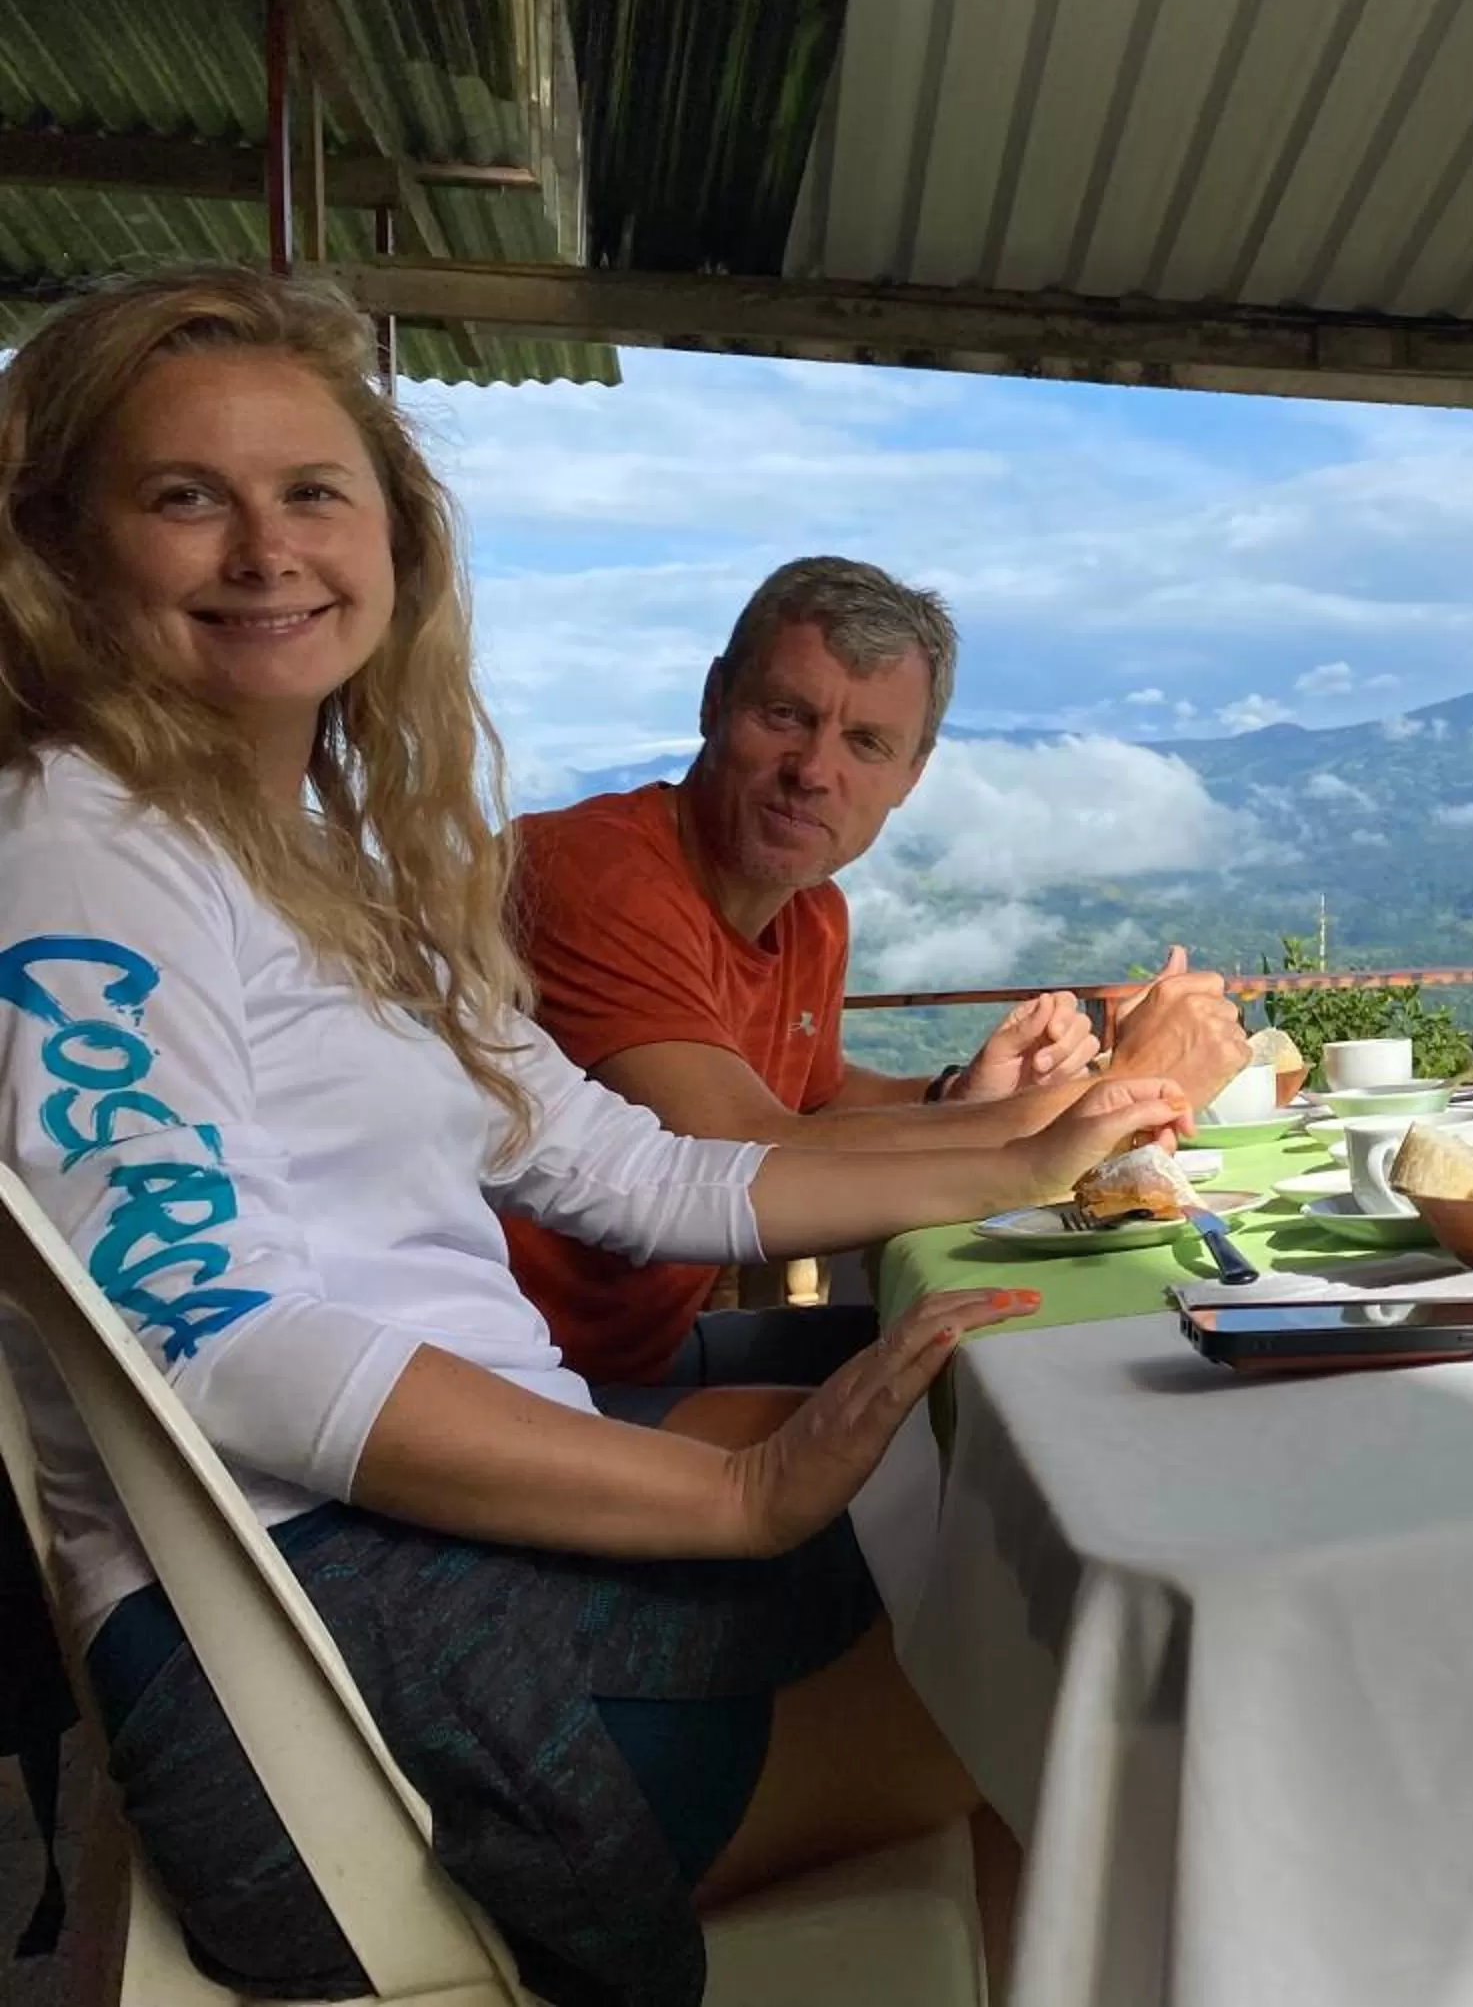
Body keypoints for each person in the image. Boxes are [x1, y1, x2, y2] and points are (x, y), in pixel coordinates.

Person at [0, 265, 1185, 2004]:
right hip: (315, 1673)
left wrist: (1036, 1152)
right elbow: (216, 1340)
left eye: (314, 492)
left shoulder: (327, 857)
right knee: (1087, 1702)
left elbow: (647, 1168)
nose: (267, 551)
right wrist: (730, 1500)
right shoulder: (79, 842)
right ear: (63, 545)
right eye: (188, 497)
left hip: (407, 1568)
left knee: (977, 1533)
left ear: (394, 546)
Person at [506, 555, 1251, 1389]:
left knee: (1047, 1356)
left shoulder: (811, 910)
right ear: (714, 702)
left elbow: (814, 1100)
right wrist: (1124, 1089)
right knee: (1013, 1401)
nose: (815, 771)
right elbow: (732, 1152)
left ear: (912, 774)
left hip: (638, 1353)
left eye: (865, 743)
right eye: (786, 715)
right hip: (519, 1382)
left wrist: (952, 1096)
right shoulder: (590, 872)